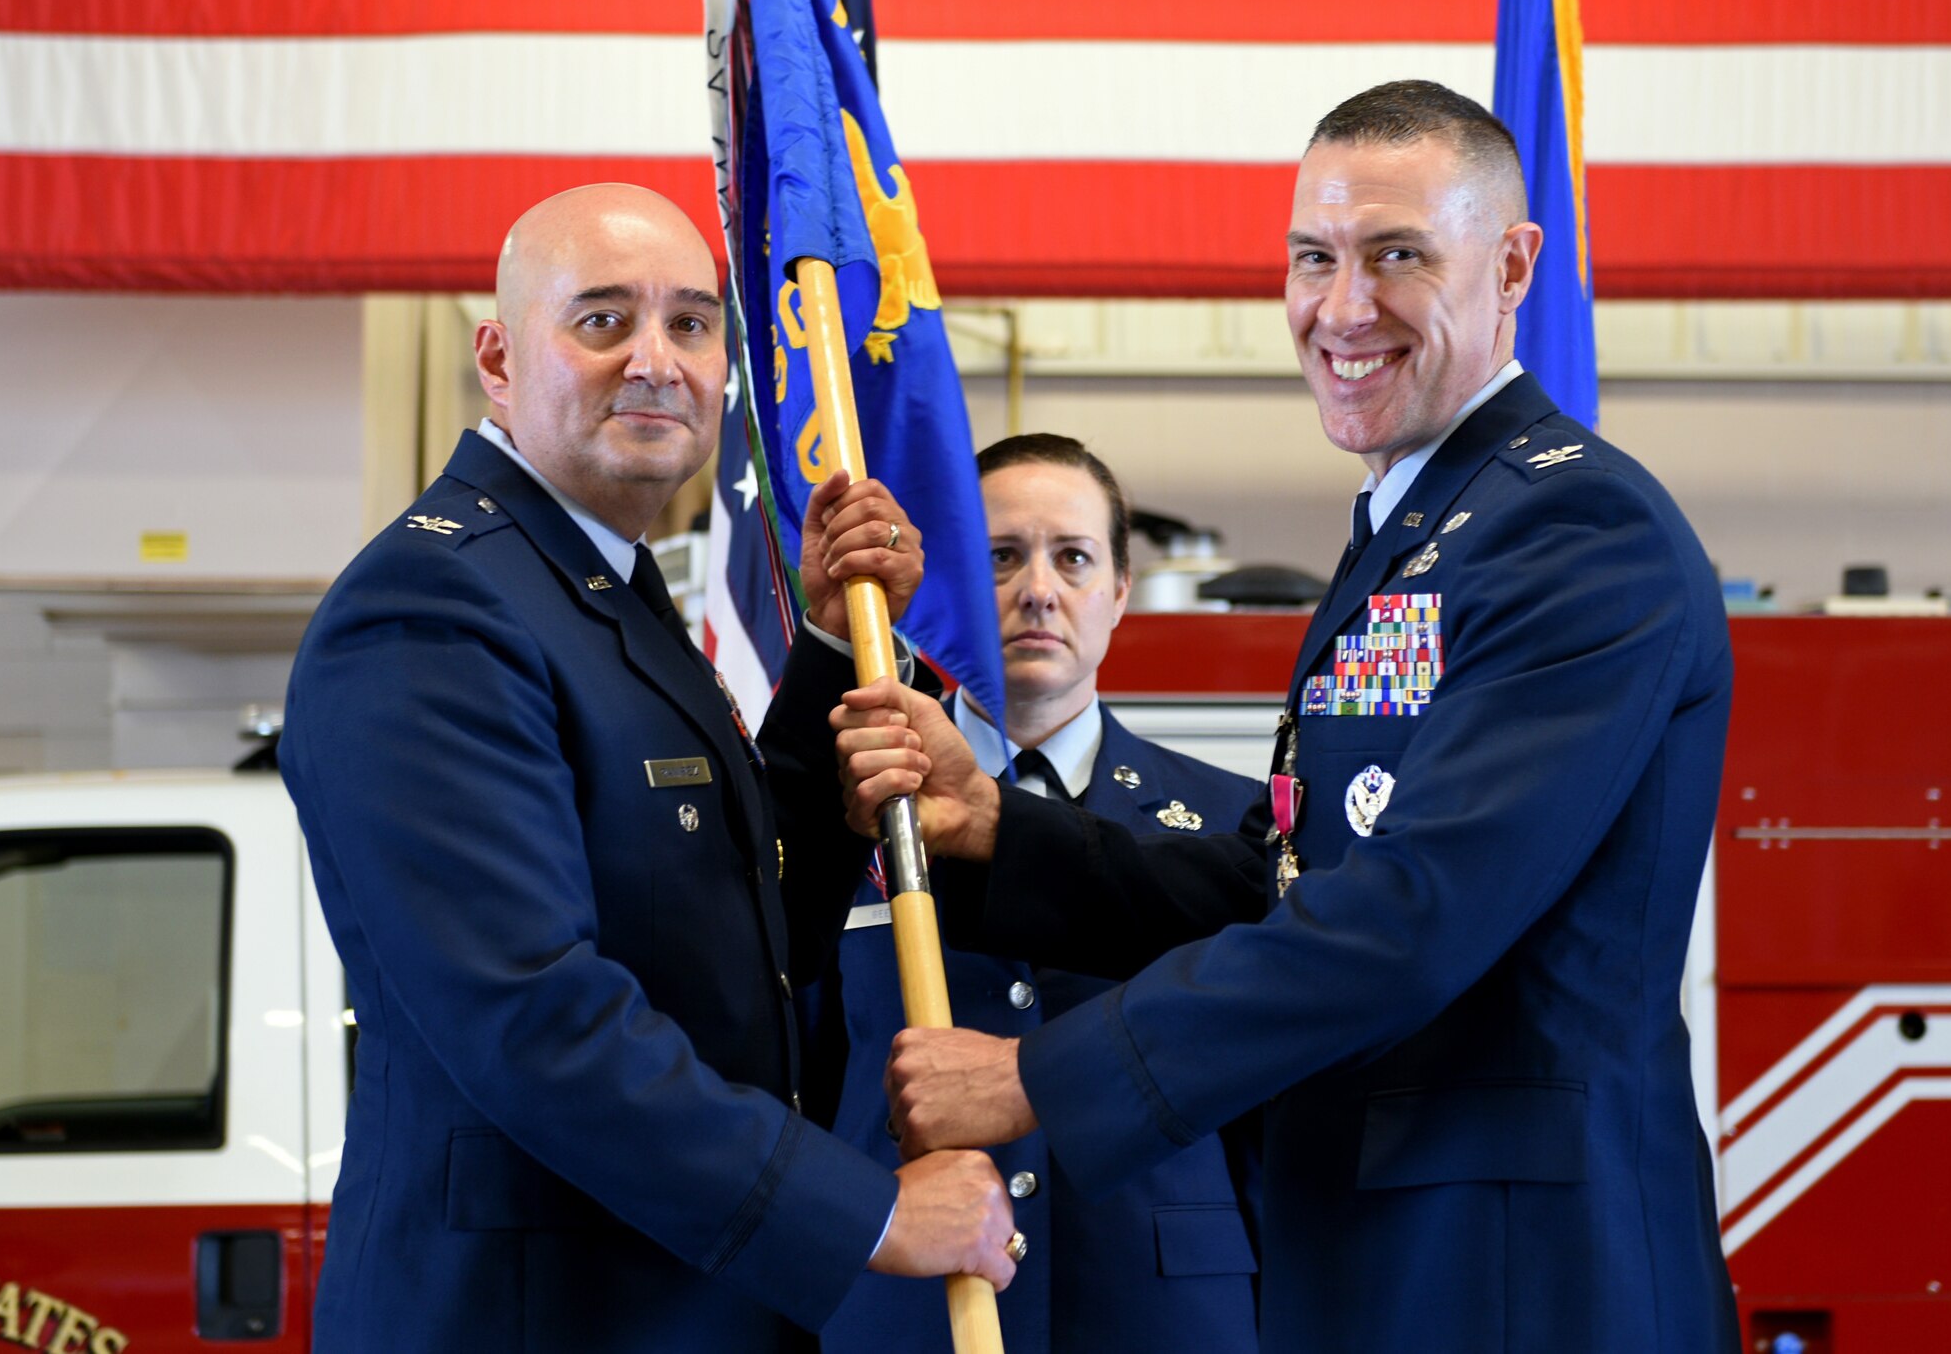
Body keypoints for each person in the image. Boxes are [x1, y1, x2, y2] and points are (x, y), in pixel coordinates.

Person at [833, 82, 1742, 1353]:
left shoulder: (1574, 532)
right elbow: (1291, 876)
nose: (1341, 308)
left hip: (1517, 1276)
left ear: (1513, 264)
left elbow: (1411, 915)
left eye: (1397, 256)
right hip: (1379, 1260)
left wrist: (1035, 1077)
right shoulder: (1412, 529)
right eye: (1312, 258)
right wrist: (994, 830)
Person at [280, 183, 1017, 1354]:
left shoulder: (591, 586)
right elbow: (533, 1016)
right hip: (533, 1318)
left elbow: (738, 908)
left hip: (673, 1300)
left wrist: (828, 652)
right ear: (497, 357)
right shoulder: (434, 607)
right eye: (601, 319)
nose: (657, 361)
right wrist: (862, 1209)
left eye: (691, 322)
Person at [813, 435, 1263, 1354]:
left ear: (1121, 590)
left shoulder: (1234, 823)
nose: (1039, 589)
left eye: (1073, 557)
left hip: (1165, 1304)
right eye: (1002, 556)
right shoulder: (845, 812)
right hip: (904, 1307)